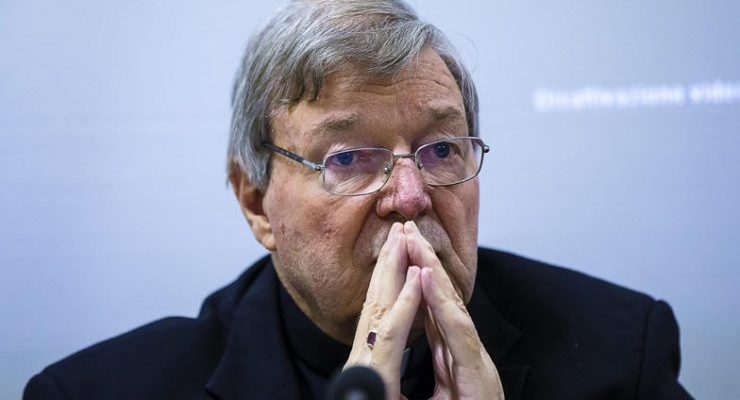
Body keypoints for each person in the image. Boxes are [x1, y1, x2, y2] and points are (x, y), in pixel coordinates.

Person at [24, 0, 693, 399]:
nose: (410, 197)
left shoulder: (619, 355)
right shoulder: (99, 391)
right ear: (255, 201)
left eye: (441, 150)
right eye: (347, 159)